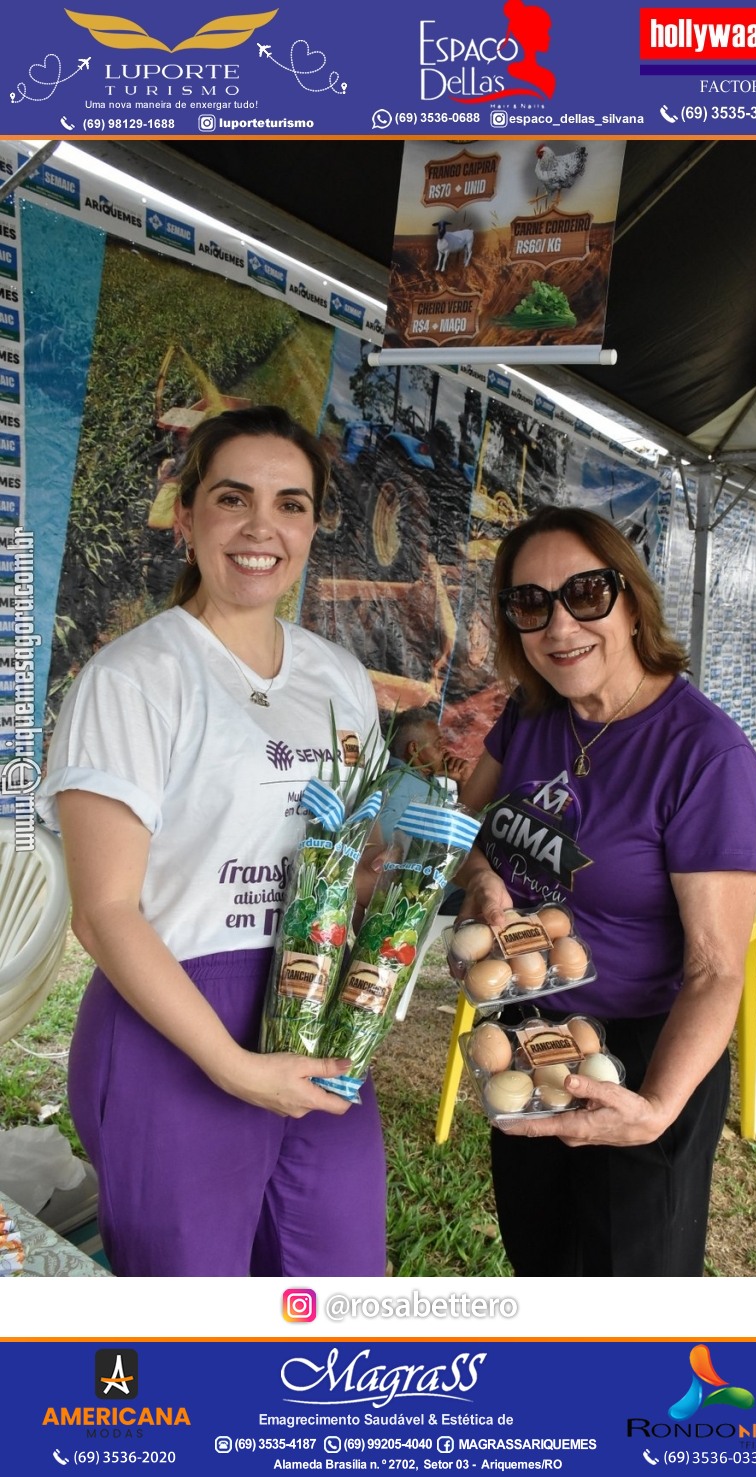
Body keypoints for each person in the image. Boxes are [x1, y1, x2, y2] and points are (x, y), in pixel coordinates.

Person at [37, 405, 387, 1278]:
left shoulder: (338, 676)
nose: (262, 527)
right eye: (234, 498)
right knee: (191, 1319)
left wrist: (417, 901)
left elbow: (358, 858)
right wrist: (233, 1065)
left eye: (291, 503)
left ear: (312, 525)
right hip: (175, 1025)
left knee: (334, 1285)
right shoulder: (135, 678)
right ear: (187, 517)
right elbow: (105, 911)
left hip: (318, 1006)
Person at [456, 506, 756, 1277]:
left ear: (632, 601)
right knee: (539, 1260)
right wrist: (481, 877)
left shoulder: (704, 755)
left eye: (585, 593)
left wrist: (656, 1109)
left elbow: (715, 970)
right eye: (530, 603)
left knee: (629, 1306)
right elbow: (460, 828)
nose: (559, 625)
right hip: (529, 1031)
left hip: (639, 1049)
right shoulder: (531, 716)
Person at [379, 706, 469, 843]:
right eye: (438, 744)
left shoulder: (428, 780)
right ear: (414, 749)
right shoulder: (399, 782)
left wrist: (463, 781)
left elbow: (457, 830)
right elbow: (381, 838)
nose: (444, 749)